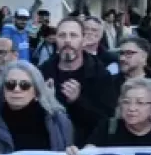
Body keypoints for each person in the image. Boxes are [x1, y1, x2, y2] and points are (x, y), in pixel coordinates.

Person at [39, 17, 116, 147]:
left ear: (83, 40)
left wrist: (77, 101)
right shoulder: (43, 72)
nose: (67, 40)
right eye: (62, 35)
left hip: (85, 149)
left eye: (73, 35)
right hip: (50, 148)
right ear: (55, 39)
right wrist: (46, 101)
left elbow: (106, 120)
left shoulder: (100, 73)